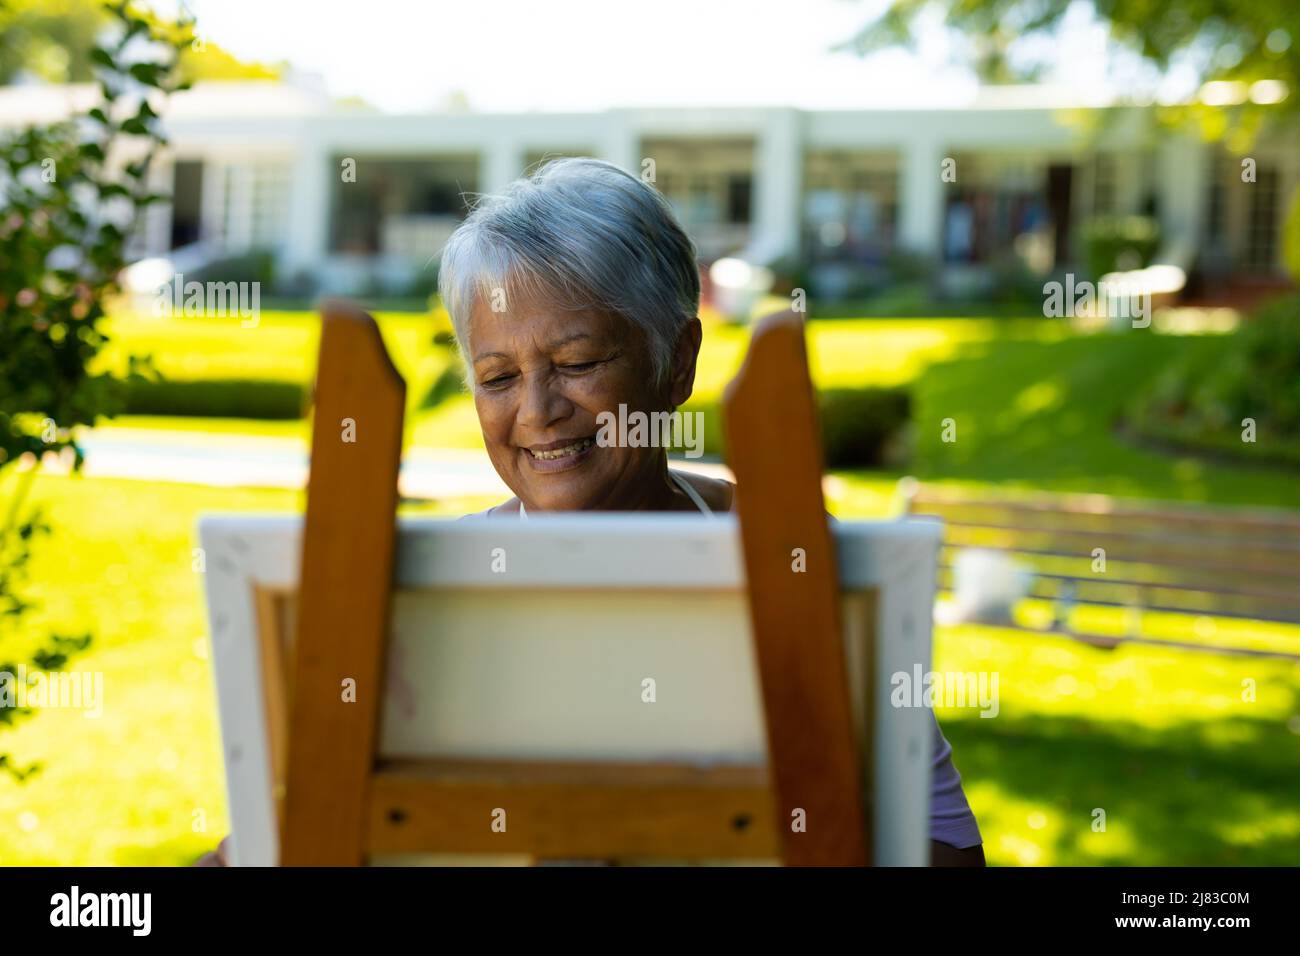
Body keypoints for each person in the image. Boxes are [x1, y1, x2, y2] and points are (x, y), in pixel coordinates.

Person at [442, 157, 984, 866]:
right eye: (498, 378)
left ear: (677, 362)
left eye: (577, 364)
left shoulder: (798, 564)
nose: (538, 411)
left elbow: (947, 849)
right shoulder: (433, 585)